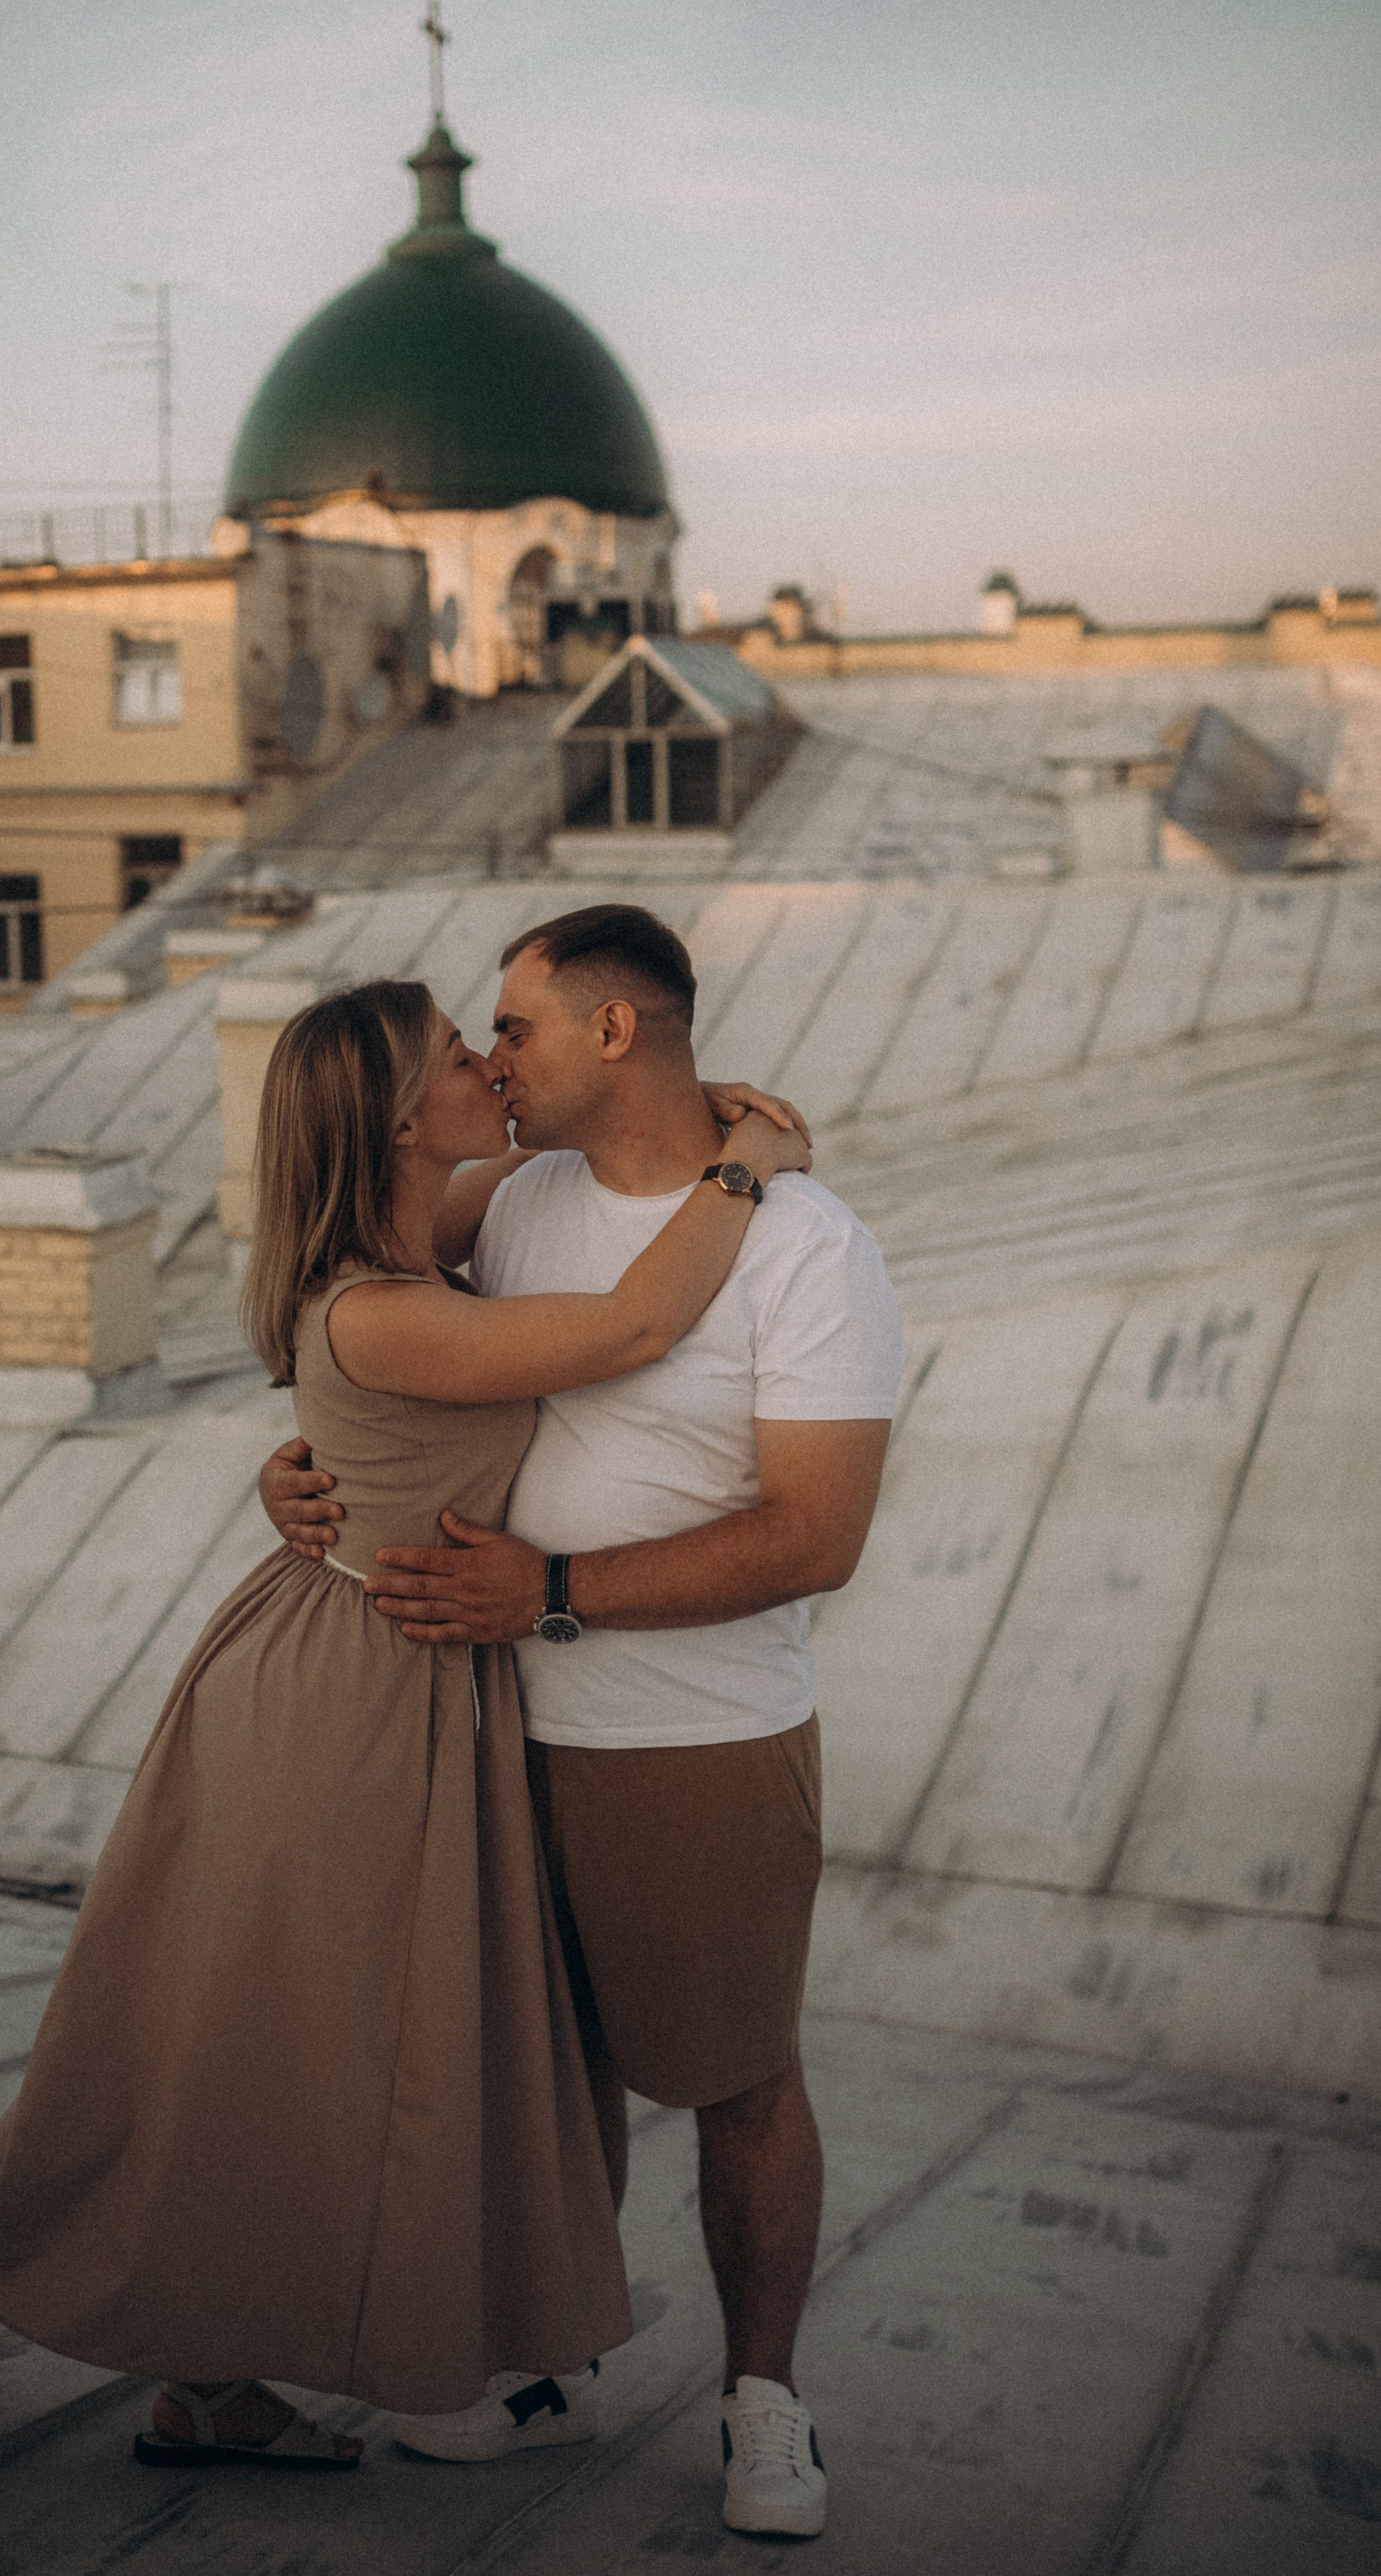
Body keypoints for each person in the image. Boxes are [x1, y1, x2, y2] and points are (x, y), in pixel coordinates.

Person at [0, 975, 809, 2491]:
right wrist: (749, 1169)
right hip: (336, 1708)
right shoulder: (385, 1305)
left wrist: (671, 1117)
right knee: (169, 2063)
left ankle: (211, 2383)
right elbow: (634, 1319)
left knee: (295, 2067)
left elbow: (560, 1197)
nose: (485, 1062)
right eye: (458, 1055)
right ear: (402, 1119)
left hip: (393, 1676)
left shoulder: (419, 1243)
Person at [262, 905, 904, 2542]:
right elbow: (359, 1315)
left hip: (692, 1735)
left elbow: (812, 1535)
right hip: (482, 1729)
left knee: (735, 2079)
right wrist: (292, 1480)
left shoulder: (805, 1244)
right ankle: (556, 2362)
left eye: (516, 1027)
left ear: (613, 1032)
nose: (490, 1059)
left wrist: (548, 1590)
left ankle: (762, 2401)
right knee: (551, 2082)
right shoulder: (513, 1200)